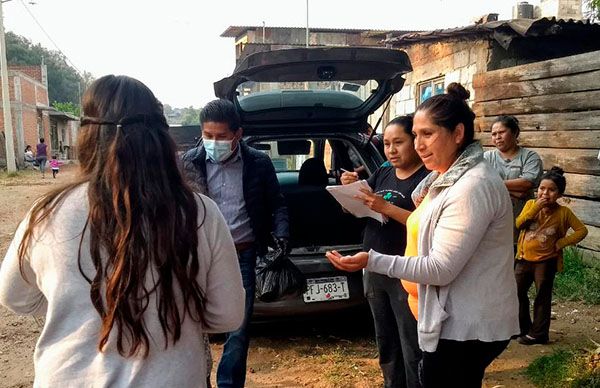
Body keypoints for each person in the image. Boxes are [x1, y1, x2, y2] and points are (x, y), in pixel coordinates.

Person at [0, 75, 245, 387]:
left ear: (87, 137)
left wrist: (79, 306)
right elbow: (226, 316)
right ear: (160, 139)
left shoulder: (47, 213)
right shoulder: (200, 214)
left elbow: (14, 297)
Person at [326, 83, 519, 388]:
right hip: (450, 320)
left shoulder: (471, 187)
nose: (418, 145)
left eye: (427, 134)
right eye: (415, 135)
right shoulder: (444, 179)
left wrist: (373, 260)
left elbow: (440, 268)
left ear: (457, 134)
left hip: (465, 327)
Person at [181, 98, 289, 388]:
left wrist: (281, 235)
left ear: (238, 135)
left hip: (242, 255)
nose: (213, 142)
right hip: (196, 256)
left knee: (238, 327)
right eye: (208, 136)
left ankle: (229, 384)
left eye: (221, 136)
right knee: (191, 322)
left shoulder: (258, 162)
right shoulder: (187, 163)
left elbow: (277, 204)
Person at [341, 115, 428, 388]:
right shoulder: (383, 172)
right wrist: (350, 192)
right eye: (387, 143)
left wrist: (385, 207)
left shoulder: (427, 178)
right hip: (374, 264)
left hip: (406, 268)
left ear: (415, 141)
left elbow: (425, 223)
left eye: (398, 142)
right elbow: (363, 208)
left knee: (410, 339)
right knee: (385, 337)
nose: (391, 150)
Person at [514, 166, 588, 345]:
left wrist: (561, 243)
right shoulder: (531, 204)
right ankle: (522, 327)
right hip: (524, 259)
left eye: (551, 190)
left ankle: (538, 333)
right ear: (537, 190)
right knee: (516, 292)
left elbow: (582, 230)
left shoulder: (564, 213)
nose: (545, 193)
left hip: (546, 262)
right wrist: (534, 209)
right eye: (542, 188)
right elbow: (519, 223)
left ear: (560, 195)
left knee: (542, 296)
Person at [484, 115, 543, 240]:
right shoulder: (487, 157)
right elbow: (480, 183)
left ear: (515, 132)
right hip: (493, 218)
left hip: (522, 217)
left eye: (501, 132)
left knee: (519, 252)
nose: (497, 137)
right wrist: (515, 190)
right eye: (494, 134)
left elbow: (527, 183)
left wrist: (493, 184)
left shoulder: (530, 157)